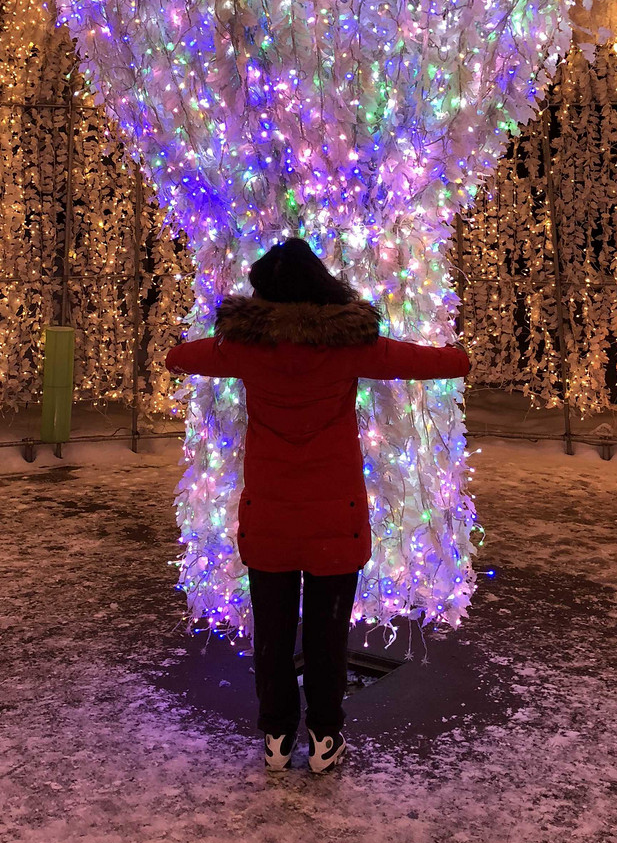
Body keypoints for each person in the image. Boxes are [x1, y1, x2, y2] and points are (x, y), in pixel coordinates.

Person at [165, 238, 470, 774]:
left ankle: (277, 738)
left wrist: (228, 337)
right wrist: (456, 352)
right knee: (328, 638)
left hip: (270, 520)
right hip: (336, 521)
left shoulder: (243, 348)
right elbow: (442, 363)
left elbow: (178, 356)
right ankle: (326, 738)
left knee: (274, 636)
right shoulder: (349, 345)